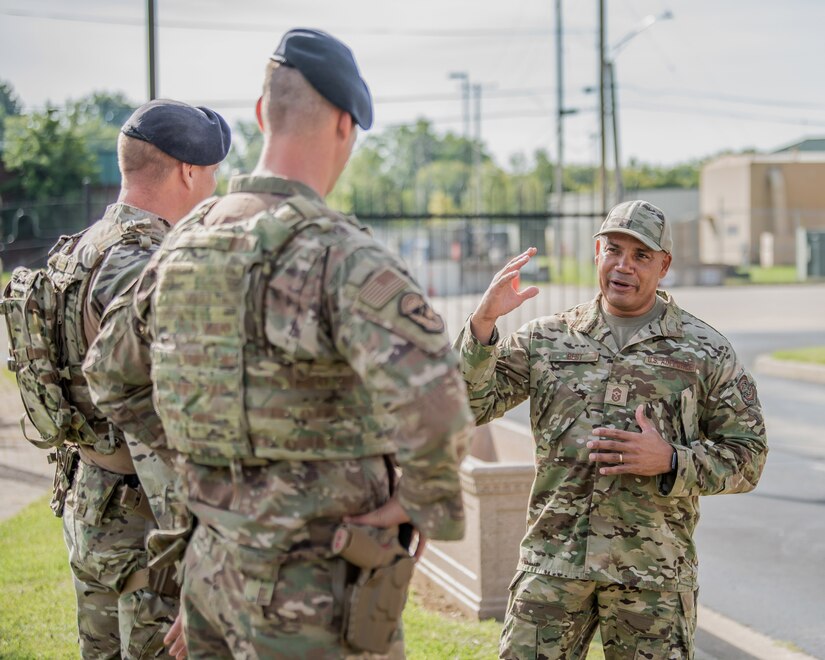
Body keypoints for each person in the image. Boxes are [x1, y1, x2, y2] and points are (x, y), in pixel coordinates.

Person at [84, 28, 474, 659]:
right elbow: (438, 408)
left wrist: (202, 463)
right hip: (317, 587)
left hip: (209, 571)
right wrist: (418, 502)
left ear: (264, 114)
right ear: (346, 125)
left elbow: (109, 376)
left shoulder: (178, 249)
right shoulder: (342, 257)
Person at [456, 200, 768, 659]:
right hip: (553, 564)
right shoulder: (548, 338)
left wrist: (672, 460)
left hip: (653, 577)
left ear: (664, 265)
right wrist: (482, 326)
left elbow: (749, 456)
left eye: (641, 255)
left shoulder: (705, 352)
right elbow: (466, 407)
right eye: (614, 250)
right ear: (597, 253)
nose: (624, 265)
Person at [43, 99, 229, 658]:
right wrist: (195, 560)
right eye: (213, 173)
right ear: (188, 171)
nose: (215, 186)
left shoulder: (80, 249)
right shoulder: (147, 267)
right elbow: (157, 425)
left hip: (89, 505)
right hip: (147, 532)